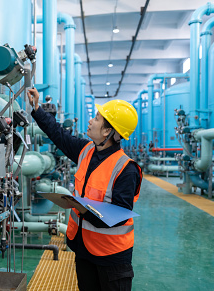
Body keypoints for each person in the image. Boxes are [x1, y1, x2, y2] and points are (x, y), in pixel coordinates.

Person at [27, 88, 142, 291]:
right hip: (84, 249)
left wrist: (80, 208)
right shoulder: (86, 150)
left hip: (111, 256)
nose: (91, 120)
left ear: (107, 131)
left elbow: (119, 216)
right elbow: (59, 135)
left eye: (97, 118)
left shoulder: (126, 168)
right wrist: (37, 109)